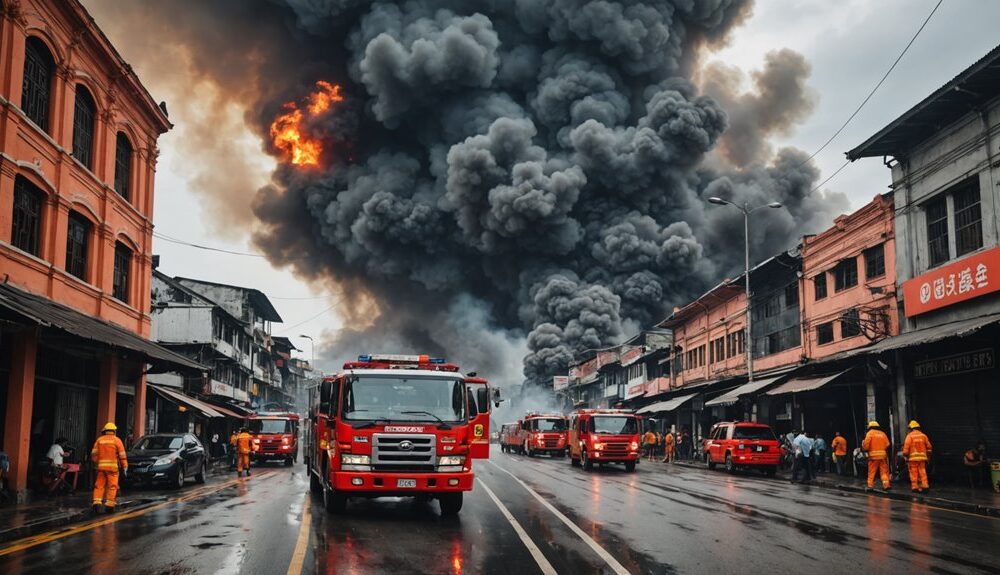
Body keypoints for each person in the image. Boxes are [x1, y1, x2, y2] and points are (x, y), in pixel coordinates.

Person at [90, 422, 128, 513]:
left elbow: (94, 455)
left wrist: (98, 463)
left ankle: (96, 502)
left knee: (99, 485)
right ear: (114, 431)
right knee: (112, 486)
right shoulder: (117, 440)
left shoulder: (99, 440)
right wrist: (125, 466)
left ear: (105, 431)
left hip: (101, 468)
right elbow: (122, 455)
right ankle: (110, 505)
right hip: (112, 469)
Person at [902, 420, 932, 493]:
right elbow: (929, 447)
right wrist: (928, 456)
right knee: (922, 472)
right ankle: (925, 486)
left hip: (912, 459)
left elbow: (906, 448)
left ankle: (915, 487)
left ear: (911, 428)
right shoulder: (923, 435)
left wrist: (905, 455)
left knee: (914, 473)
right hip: (922, 458)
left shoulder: (909, 436)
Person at [862, 420, 891, 491]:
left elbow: (866, 446)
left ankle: (870, 486)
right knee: (884, 472)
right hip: (883, 456)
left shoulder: (869, 433)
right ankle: (886, 485)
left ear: (870, 427)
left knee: (872, 472)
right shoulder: (882, 434)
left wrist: (863, 446)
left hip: (873, 457)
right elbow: (888, 444)